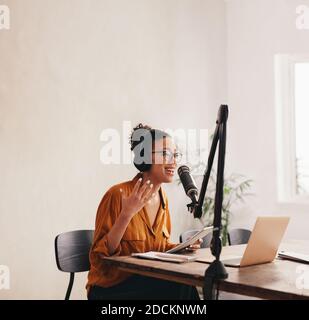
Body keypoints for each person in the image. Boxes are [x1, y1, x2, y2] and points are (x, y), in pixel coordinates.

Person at [87, 124, 200, 300]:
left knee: (183, 281)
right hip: (110, 288)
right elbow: (99, 259)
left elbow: (156, 249)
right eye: (165, 154)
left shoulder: (163, 198)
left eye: (175, 154)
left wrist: (182, 248)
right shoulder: (118, 195)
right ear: (145, 158)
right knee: (177, 286)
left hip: (146, 281)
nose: (173, 161)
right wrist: (126, 215)